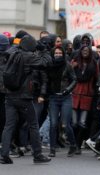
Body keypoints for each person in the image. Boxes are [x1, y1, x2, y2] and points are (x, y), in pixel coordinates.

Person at [0, 35, 51, 164]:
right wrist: (43, 49)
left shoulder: (12, 52)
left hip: (9, 95)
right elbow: (46, 62)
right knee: (33, 125)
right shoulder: (28, 56)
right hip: (24, 97)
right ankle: (38, 154)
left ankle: (4, 155)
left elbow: (14, 48)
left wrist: (21, 44)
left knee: (8, 126)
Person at [47, 46, 77, 157]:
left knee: (65, 124)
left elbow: (74, 79)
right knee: (53, 124)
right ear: (52, 54)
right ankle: (52, 149)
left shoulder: (67, 65)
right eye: (56, 53)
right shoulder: (49, 65)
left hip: (66, 97)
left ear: (63, 54)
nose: (58, 55)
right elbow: (46, 80)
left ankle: (73, 145)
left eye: (60, 53)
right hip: (53, 98)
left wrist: (68, 89)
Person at [71, 46, 98, 154]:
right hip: (74, 94)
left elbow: (96, 78)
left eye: (87, 50)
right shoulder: (75, 63)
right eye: (83, 50)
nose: (85, 52)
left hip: (87, 95)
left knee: (82, 123)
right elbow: (69, 76)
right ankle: (73, 145)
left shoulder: (93, 64)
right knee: (73, 123)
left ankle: (77, 145)